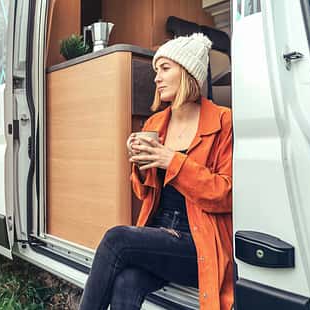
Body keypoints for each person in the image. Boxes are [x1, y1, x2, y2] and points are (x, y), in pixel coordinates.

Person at [78, 33, 234, 310]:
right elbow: (142, 192)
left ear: (187, 73)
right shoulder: (156, 123)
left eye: (164, 69)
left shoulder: (223, 121)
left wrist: (170, 161)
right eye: (155, 71)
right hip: (159, 235)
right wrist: (139, 165)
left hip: (199, 243)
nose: (156, 78)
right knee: (127, 280)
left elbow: (225, 193)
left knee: (116, 239)